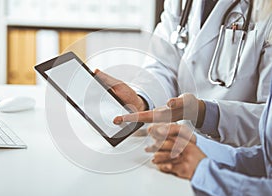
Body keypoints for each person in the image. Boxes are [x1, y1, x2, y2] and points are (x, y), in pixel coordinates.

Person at [95, 0, 272, 147]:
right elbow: (164, 64)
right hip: (178, 148)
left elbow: (268, 120)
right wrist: (141, 101)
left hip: (241, 163)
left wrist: (207, 114)